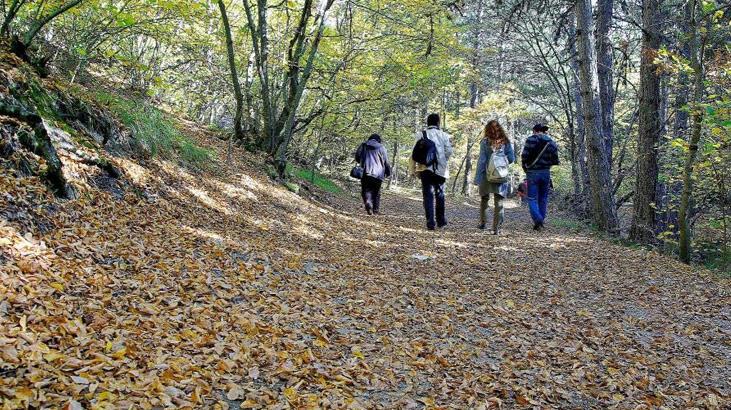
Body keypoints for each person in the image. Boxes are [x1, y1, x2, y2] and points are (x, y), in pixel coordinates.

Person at [409, 113, 453, 230]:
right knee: (440, 194)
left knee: (427, 195)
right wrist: (442, 159)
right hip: (441, 170)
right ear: (438, 123)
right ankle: (441, 221)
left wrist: (412, 170)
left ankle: (430, 221)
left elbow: (414, 154)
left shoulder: (421, 135)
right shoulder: (444, 135)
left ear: (427, 123)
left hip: (425, 169)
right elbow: (449, 152)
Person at [473, 120, 515, 235]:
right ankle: (496, 228)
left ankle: (482, 223)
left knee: (484, 199)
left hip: (487, 174)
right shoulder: (506, 142)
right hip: (500, 175)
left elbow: (481, 160)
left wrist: (478, 178)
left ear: (487, 130)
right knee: (499, 200)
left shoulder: (485, 142)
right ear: (500, 129)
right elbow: (511, 159)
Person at [521, 123, 559, 231]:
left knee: (532, 198)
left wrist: (525, 167)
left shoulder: (530, 140)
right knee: (543, 198)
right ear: (543, 131)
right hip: (545, 172)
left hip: (532, 172)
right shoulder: (551, 142)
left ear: (534, 130)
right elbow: (555, 160)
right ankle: (541, 219)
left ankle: (538, 219)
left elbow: (524, 156)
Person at [355, 133, 391, 215]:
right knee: (376, 192)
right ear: (378, 140)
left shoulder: (364, 145)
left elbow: (357, 156)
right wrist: (388, 172)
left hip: (365, 172)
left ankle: (368, 203)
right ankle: (375, 210)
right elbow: (386, 162)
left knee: (365, 190)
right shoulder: (382, 148)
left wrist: (361, 162)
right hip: (378, 174)